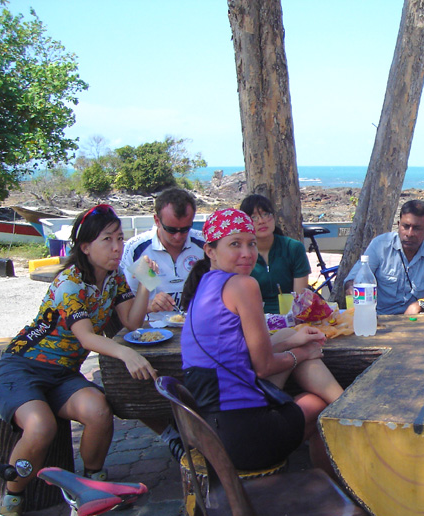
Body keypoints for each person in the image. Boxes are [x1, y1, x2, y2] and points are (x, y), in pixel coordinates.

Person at [0, 204, 157, 516]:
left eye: (120, 238)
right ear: (85, 246)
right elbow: (85, 337)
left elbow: (131, 322)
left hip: (63, 374)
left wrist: (146, 284)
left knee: (98, 410)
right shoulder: (69, 283)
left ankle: (92, 483)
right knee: (41, 426)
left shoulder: (114, 279)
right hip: (22, 367)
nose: (117, 247)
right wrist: (127, 354)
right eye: (107, 239)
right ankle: (11, 498)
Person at [180, 208, 342, 473]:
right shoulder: (243, 285)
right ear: (210, 250)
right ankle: (343, 436)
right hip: (241, 438)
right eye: (235, 244)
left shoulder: (204, 284)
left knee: (290, 335)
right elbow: (263, 367)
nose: (247, 253)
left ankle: (344, 407)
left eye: (251, 243)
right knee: (318, 405)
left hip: (210, 431)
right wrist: (303, 354)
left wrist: (294, 343)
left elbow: (241, 355)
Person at [343, 200, 424, 315]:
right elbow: (352, 280)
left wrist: (419, 304)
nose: (409, 233)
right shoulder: (380, 245)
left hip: (417, 321)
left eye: (416, 228)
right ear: (398, 225)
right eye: (405, 226)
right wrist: (352, 290)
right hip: (381, 320)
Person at [121, 188, 205, 313]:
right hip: (152, 328)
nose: (178, 236)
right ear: (157, 221)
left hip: (196, 325)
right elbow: (125, 304)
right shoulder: (137, 249)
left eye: (185, 229)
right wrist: (150, 305)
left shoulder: (205, 246)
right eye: (171, 230)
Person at [239, 194, 310, 314]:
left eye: (266, 214)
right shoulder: (241, 255)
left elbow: (300, 300)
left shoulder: (293, 248)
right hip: (254, 319)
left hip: (291, 319)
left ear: (274, 217)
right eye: (254, 217)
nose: (261, 221)